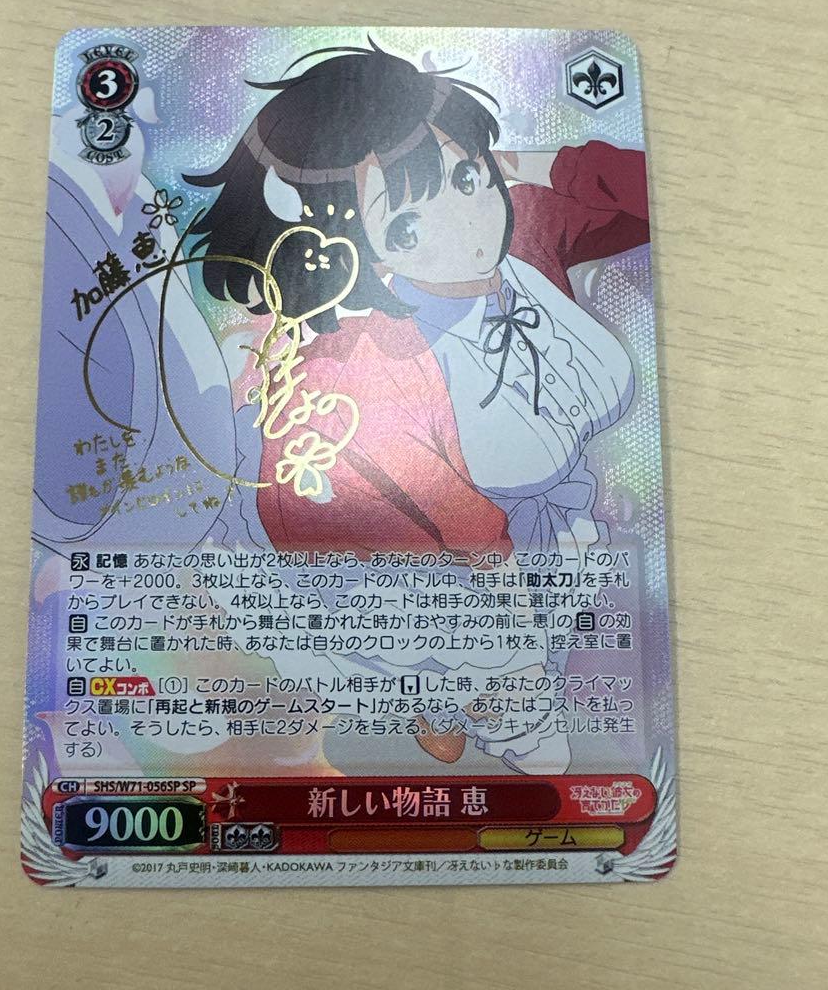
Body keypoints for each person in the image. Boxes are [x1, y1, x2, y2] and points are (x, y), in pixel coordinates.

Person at [184, 43, 649, 770]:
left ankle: (453, 695)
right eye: (405, 226)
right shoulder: (371, 353)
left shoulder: (528, 236)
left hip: (561, 542)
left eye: (468, 179)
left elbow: (648, 196)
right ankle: (433, 695)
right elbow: (427, 520)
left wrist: (535, 164)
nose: (467, 224)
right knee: (528, 736)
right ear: (357, 250)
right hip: (459, 572)